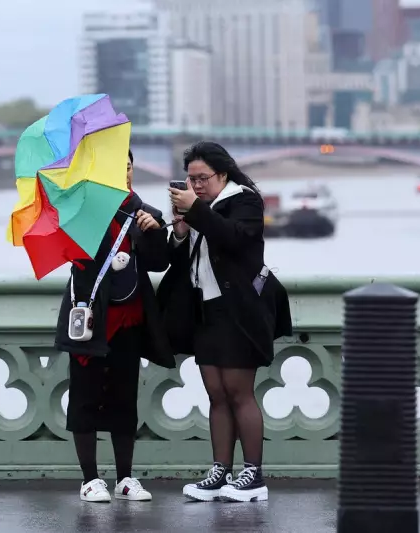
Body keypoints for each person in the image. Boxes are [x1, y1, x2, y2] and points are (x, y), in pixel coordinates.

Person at [158, 141, 292, 503]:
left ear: (223, 174)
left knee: (239, 392)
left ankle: (253, 474)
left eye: (202, 178)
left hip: (241, 312)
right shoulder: (197, 209)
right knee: (215, 394)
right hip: (206, 310)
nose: (196, 185)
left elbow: (236, 239)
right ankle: (220, 471)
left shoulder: (245, 201)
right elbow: (177, 260)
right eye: (190, 179)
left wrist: (197, 210)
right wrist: (181, 230)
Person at [54, 149, 176, 503]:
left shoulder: (144, 214)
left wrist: (153, 232)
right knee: (84, 397)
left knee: (125, 400)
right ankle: (90, 479)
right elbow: (76, 259)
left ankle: (125, 478)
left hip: (131, 320)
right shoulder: (82, 213)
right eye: (117, 167)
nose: (125, 172)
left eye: (129, 167)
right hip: (91, 319)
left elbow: (158, 262)